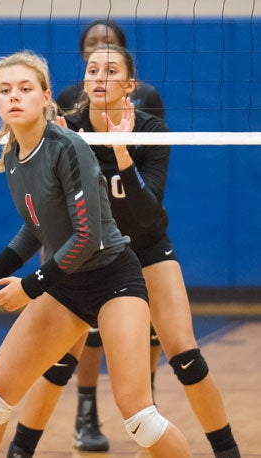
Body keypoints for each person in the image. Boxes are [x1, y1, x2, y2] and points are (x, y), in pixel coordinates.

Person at [0, 50, 191, 458]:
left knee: (138, 417)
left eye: (25, 88)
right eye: (5, 90)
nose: (14, 97)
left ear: (46, 97)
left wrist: (28, 286)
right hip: (66, 285)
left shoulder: (68, 146)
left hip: (113, 279)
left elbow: (87, 238)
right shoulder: (14, 156)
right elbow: (35, 227)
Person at [7, 45, 240, 458]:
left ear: (130, 84)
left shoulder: (150, 130)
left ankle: (227, 452)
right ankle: (21, 450)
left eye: (110, 71)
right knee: (58, 362)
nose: (98, 78)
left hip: (145, 249)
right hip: (83, 255)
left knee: (186, 356)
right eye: (92, 70)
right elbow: (47, 210)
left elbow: (148, 215)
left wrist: (120, 151)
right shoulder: (66, 129)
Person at [55, 18, 165, 450]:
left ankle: (146, 402)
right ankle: (87, 412)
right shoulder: (68, 100)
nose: (99, 53)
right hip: (90, 229)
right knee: (87, 329)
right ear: (84, 57)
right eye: (92, 47)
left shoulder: (149, 100)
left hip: (137, 222)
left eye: (109, 46)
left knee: (150, 327)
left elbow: (153, 159)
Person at [56, 18, 165, 120]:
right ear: (83, 52)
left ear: (121, 49)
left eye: (108, 42)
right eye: (91, 43)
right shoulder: (67, 96)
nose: (99, 47)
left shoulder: (147, 94)